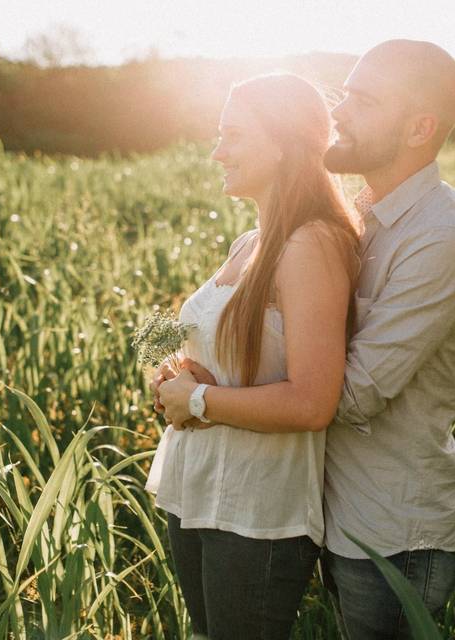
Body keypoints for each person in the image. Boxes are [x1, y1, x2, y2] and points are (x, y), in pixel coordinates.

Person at [155, 40, 455, 639]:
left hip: (390, 528)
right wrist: (184, 373)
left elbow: (346, 394)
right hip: (319, 504)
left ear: (420, 127)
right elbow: (261, 343)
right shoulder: (354, 217)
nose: (338, 113)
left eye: (362, 100)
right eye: (343, 94)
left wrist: (206, 398)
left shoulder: (441, 240)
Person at [143, 72, 361, 640]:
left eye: (234, 135)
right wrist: (166, 371)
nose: (218, 152)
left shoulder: (311, 245)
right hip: (198, 487)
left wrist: (194, 397)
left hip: (256, 511)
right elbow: (181, 335)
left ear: (285, 142)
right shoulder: (250, 241)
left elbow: (312, 403)